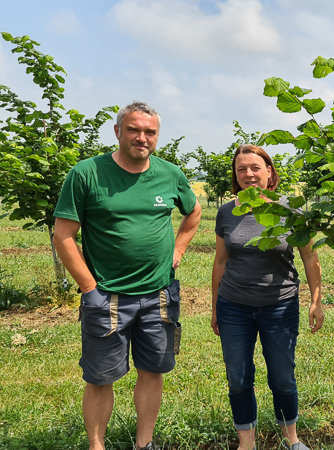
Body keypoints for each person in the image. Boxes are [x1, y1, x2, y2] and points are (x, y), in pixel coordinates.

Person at [53, 101, 202, 450]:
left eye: (150, 132)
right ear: (118, 132)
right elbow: (63, 236)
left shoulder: (169, 173)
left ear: (157, 136)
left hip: (159, 295)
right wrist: (89, 287)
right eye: (134, 130)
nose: (142, 137)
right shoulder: (87, 173)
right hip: (107, 295)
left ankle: (144, 444)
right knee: (100, 376)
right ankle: (96, 445)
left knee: (153, 371)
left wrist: (177, 251)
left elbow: (193, 213)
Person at [211, 144, 324, 450]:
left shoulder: (290, 209)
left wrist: (316, 299)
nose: (248, 174)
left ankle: (292, 440)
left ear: (270, 172)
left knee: (283, 376)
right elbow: (220, 262)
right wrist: (214, 308)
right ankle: (247, 443)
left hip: (280, 306)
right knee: (238, 376)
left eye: (255, 168)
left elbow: (309, 257)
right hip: (234, 307)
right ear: (236, 175)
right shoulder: (226, 212)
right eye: (241, 169)